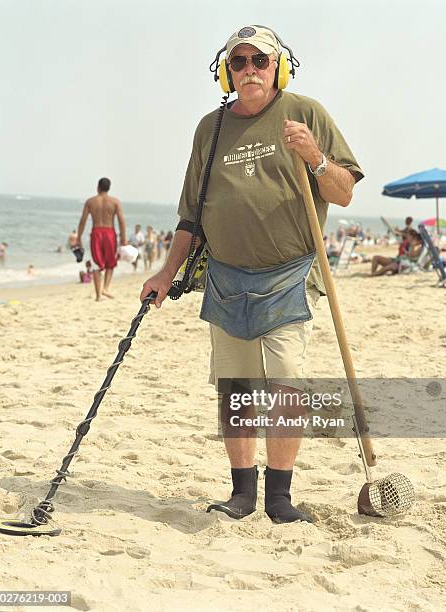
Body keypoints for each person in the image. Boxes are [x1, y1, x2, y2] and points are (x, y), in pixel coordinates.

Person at [140, 25, 364, 524]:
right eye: (238, 62)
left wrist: (315, 157)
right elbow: (190, 217)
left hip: (288, 275)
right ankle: (242, 493)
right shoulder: (211, 128)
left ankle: (279, 498)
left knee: (286, 386)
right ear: (227, 71)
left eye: (259, 61)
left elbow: (344, 191)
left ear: (277, 66)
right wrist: (164, 272)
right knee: (235, 388)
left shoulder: (305, 113)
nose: (249, 70)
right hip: (225, 275)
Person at [76, 177, 127, 301]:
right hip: (110, 233)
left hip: (96, 233)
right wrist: (123, 239)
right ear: (109, 188)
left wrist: (79, 237)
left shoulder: (90, 202)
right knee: (111, 262)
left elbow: (82, 221)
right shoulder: (115, 202)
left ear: (98, 187)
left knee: (96, 264)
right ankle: (105, 288)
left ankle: (98, 295)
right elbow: (121, 221)